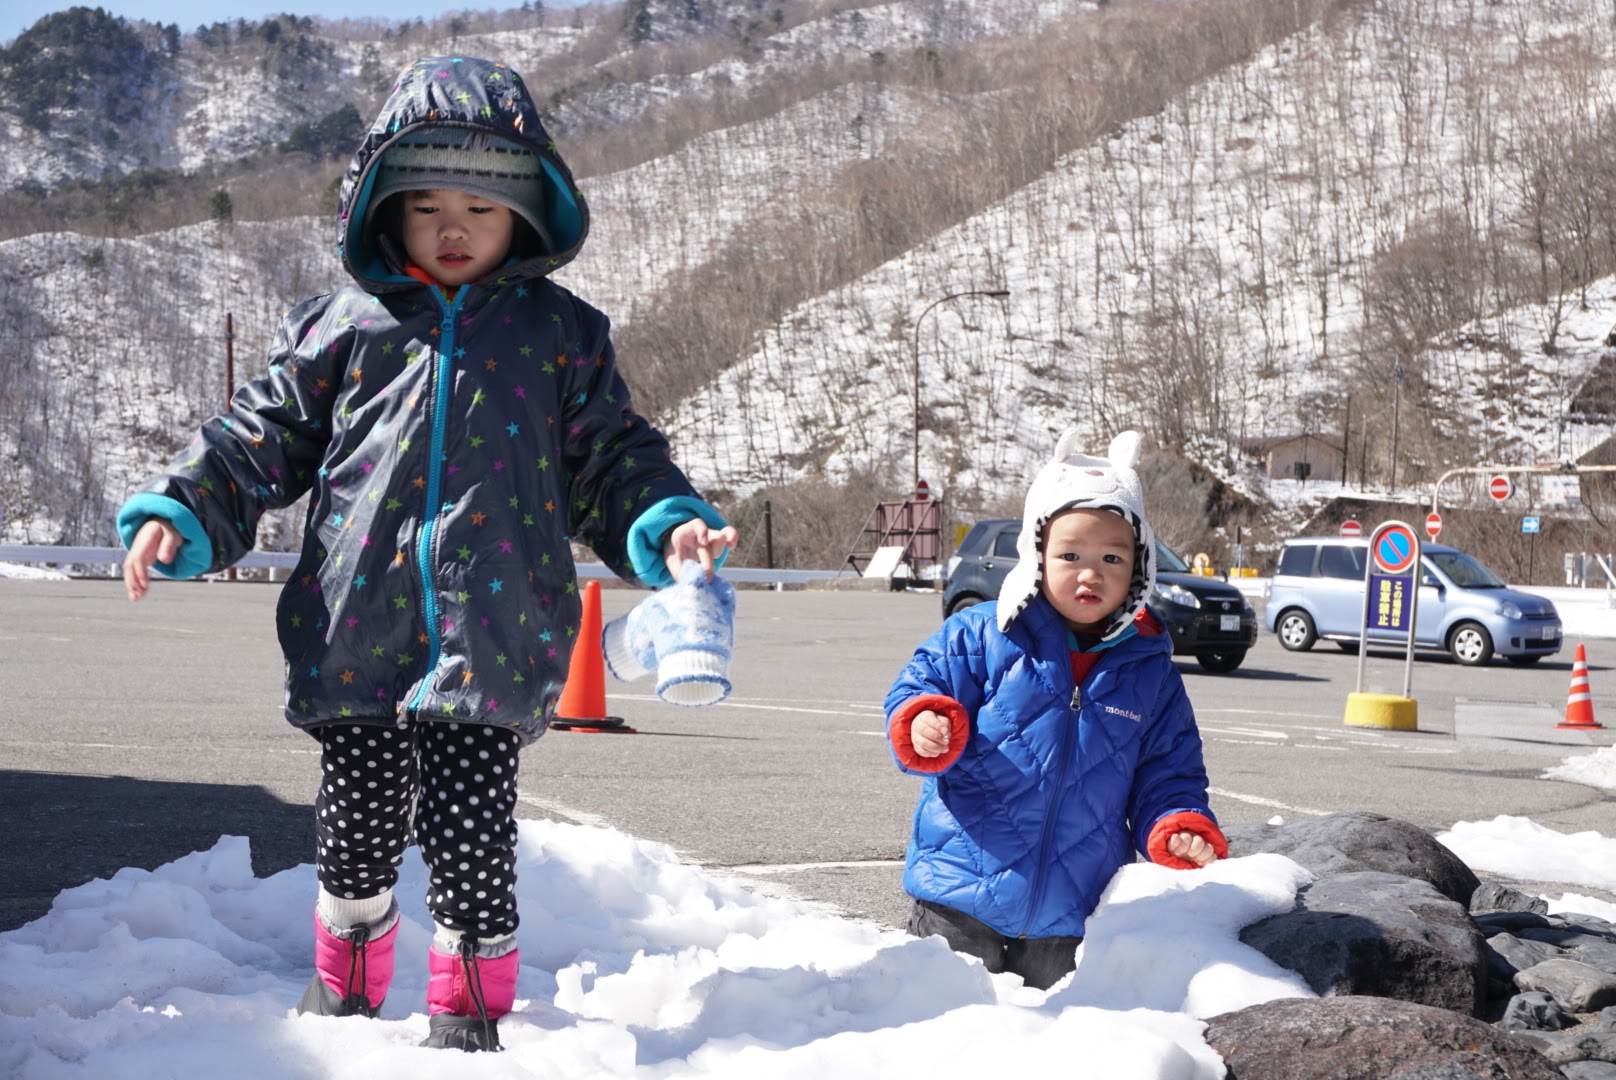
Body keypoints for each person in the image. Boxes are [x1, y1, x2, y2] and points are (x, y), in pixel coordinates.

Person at [118, 55, 736, 1053]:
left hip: (494, 631)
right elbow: (257, 438)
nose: (453, 228)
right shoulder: (342, 327)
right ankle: (348, 977)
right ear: (384, 210)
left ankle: (470, 1008)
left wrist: (666, 523)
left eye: (480, 208)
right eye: (427, 207)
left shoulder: (560, 335)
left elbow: (612, 459)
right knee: (355, 833)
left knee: (472, 839)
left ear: (524, 213)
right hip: (355, 626)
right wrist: (184, 507)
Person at [885, 429, 1226, 990]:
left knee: (1053, 1033)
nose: (1090, 573)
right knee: (942, 1021)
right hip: (958, 892)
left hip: (1071, 914)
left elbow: (1170, 772)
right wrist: (923, 718)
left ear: (1139, 567)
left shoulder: (1151, 671)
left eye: (1111, 557)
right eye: (1071, 555)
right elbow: (920, 684)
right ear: (1037, 553)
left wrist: (1176, 824)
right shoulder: (984, 633)